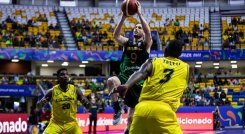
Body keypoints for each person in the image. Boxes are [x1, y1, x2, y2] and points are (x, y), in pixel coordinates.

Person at [112, 40, 189, 133]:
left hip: (141, 110)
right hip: (164, 111)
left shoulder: (153, 61)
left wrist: (126, 85)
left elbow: (140, 73)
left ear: (165, 50)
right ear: (180, 53)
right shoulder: (185, 68)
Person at [107, 1, 152, 133]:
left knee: (131, 118)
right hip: (124, 76)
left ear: (143, 32)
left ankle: (128, 130)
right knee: (111, 81)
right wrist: (123, 17)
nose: (136, 29)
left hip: (138, 81)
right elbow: (115, 36)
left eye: (139, 27)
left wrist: (139, 14)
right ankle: (117, 109)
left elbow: (149, 33)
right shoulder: (127, 42)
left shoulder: (146, 44)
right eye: (135, 28)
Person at [36, 68, 90, 134]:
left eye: (67, 74)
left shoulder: (76, 90)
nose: (65, 76)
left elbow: (88, 106)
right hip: (56, 123)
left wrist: (87, 103)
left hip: (71, 123)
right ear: (58, 78)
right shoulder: (52, 91)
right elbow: (38, 107)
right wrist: (40, 104)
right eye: (62, 74)